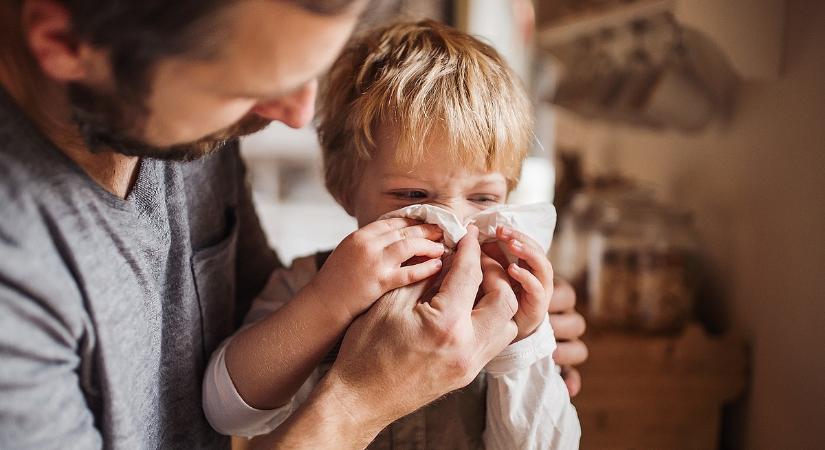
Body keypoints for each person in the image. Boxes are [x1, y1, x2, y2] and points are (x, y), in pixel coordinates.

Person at [0, 1, 587, 449]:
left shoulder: (187, 127)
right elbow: (230, 400)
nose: (298, 116)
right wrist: (360, 395)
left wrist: (527, 343)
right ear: (63, 42)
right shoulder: (18, 286)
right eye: (248, 84)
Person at [203, 20, 581, 449]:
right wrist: (328, 301)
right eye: (413, 195)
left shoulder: (502, 303)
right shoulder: (310, 282)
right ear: (346, 189)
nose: (452, 225)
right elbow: (225, 411)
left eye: (482, 199)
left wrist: (523, 344)